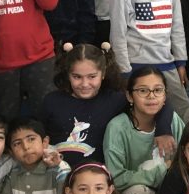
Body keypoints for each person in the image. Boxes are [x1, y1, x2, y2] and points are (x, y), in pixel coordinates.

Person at [42, 42, 177, 169]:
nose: (84, 84)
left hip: (100, 178)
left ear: (103, 73)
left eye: (92, 76)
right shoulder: (51, 101)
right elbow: (39, 135)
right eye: (77, 77)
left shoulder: (116, 100)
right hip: (57, 173)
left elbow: (162, 103)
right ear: (68, 74)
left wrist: (163, 130)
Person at [110, 0, 189, 122]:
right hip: (136, 64)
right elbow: (118, 36)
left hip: (166, 62)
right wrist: (125, 71)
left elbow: (177, 27)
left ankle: (186, 140)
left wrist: (180, 62)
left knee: (182, 108)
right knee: (142, 112)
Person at [103, 67, 186, 194]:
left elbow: (188, 157)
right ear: (130, 96)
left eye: (158, 90)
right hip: (134, 192)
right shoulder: (117, 127)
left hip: (171, 190)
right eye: (143, 91)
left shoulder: (173, 120)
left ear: (165, 95)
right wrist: (162, 170)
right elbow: (117, 177)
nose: (151, 96)